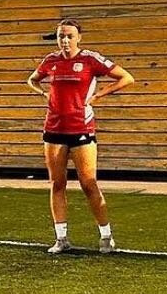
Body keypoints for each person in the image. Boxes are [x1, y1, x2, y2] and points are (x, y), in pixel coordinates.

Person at [27, 19, 134, 254]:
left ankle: (106, 236)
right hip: (53, 129)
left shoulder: (90, 59)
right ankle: (61, 238)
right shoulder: (50, 61)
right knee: (57, 183)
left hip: (82, 129)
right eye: (61, 36)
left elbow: (126, 78)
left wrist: (99, 95)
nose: (65, 40)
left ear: (79, 38)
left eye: (69, 36)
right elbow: (32, 79)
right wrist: (43, 93)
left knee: (88, 184)